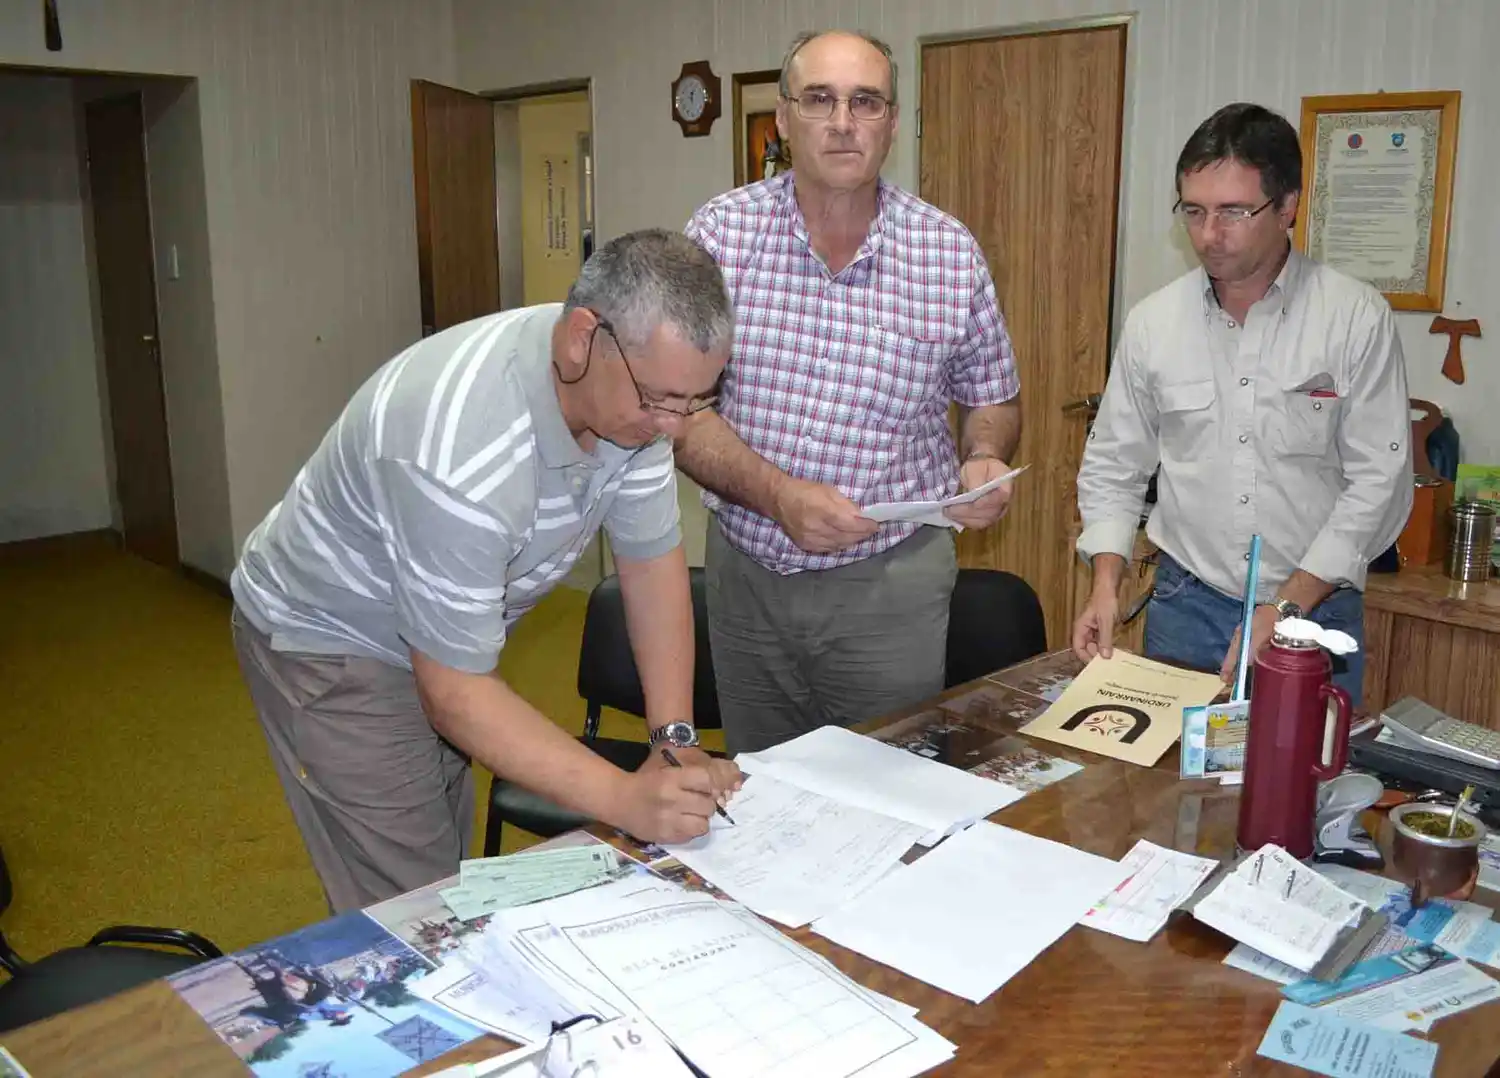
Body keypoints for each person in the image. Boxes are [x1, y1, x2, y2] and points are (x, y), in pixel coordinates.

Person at [230, 229, 743, 913]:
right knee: (416, 909)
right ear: (581, 339)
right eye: (661, 400)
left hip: (437, 631)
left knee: (443, 848)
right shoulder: (462, 448)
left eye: (696, 401)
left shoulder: (634, 392)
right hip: (335, 643)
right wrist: (624, 798)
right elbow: (455, 692)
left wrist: (673, 740)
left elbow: (651, 565)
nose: (675, 429)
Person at [678, 30, 1022, 755]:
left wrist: (983, 456)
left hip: (890, 588)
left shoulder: (947, 252)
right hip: (748, 580)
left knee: (886, 786)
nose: (843, 122)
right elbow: (680, 411)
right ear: (783, 117)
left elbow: (992, 396)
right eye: (820, 99)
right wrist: (778, 496)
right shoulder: (719, 236)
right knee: (761, 785)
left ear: (892, 123)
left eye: (866, 102)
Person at [1072, 103, 1413, 702]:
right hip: (1187, 605)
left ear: (1287, 207)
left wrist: (1287, 604)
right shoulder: (1154, 323)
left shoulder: (1354, 319)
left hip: (1313, 612)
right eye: (1194, 211)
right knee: (1171, 764)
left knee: (1304, 762)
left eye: (1233, 211)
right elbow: (1115, 463)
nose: (1209, 235)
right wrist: (1106, 580)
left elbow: (1379, 484)